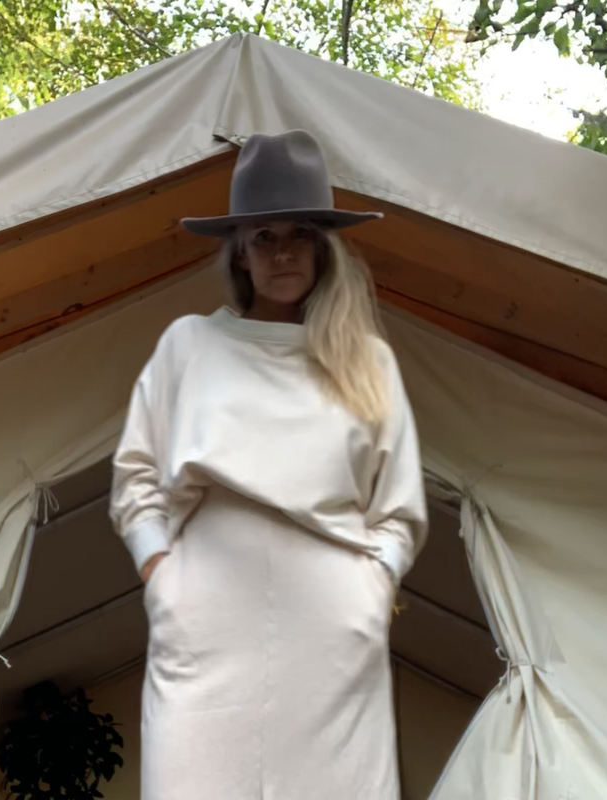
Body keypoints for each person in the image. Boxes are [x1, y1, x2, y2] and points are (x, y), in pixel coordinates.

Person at [110, 130, 428, 800]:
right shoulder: (190, 345)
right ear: (240, 252)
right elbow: (135, 476)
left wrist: (373, 590)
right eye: (263, 235)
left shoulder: (366, 360)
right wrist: (160, 575)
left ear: (323, 246)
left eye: (299, 233)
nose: (282, 250)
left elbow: (398, 509)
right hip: (202, 618)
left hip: (335, 630)